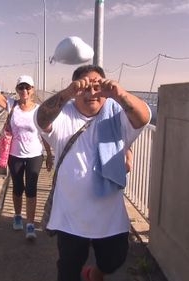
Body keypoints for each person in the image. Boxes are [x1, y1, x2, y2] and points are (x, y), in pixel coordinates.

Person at [35, 64, 151, 281]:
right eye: (85, 88)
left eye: (97, 87)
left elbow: (144, 117)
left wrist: (120, 94)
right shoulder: (65, 114)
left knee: (114, 259)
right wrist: (68, 92)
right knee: (68, 270)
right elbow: (41, 119)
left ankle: (95, 274)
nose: (91, 93)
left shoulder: (117, 116)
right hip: (70, 217)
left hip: (109, 217)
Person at [0, 64, 53, 240]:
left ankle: (29, 224)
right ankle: (17, 216)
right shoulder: (11, 105)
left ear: (32, 90)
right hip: (14, 155)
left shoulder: (39, 110)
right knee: (17, 188)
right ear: (17, 89)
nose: (24, 90)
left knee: (31, 190)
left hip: (34, 155)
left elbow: (44, 133)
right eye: (21, 87)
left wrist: (49, 154)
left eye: (27, 87)